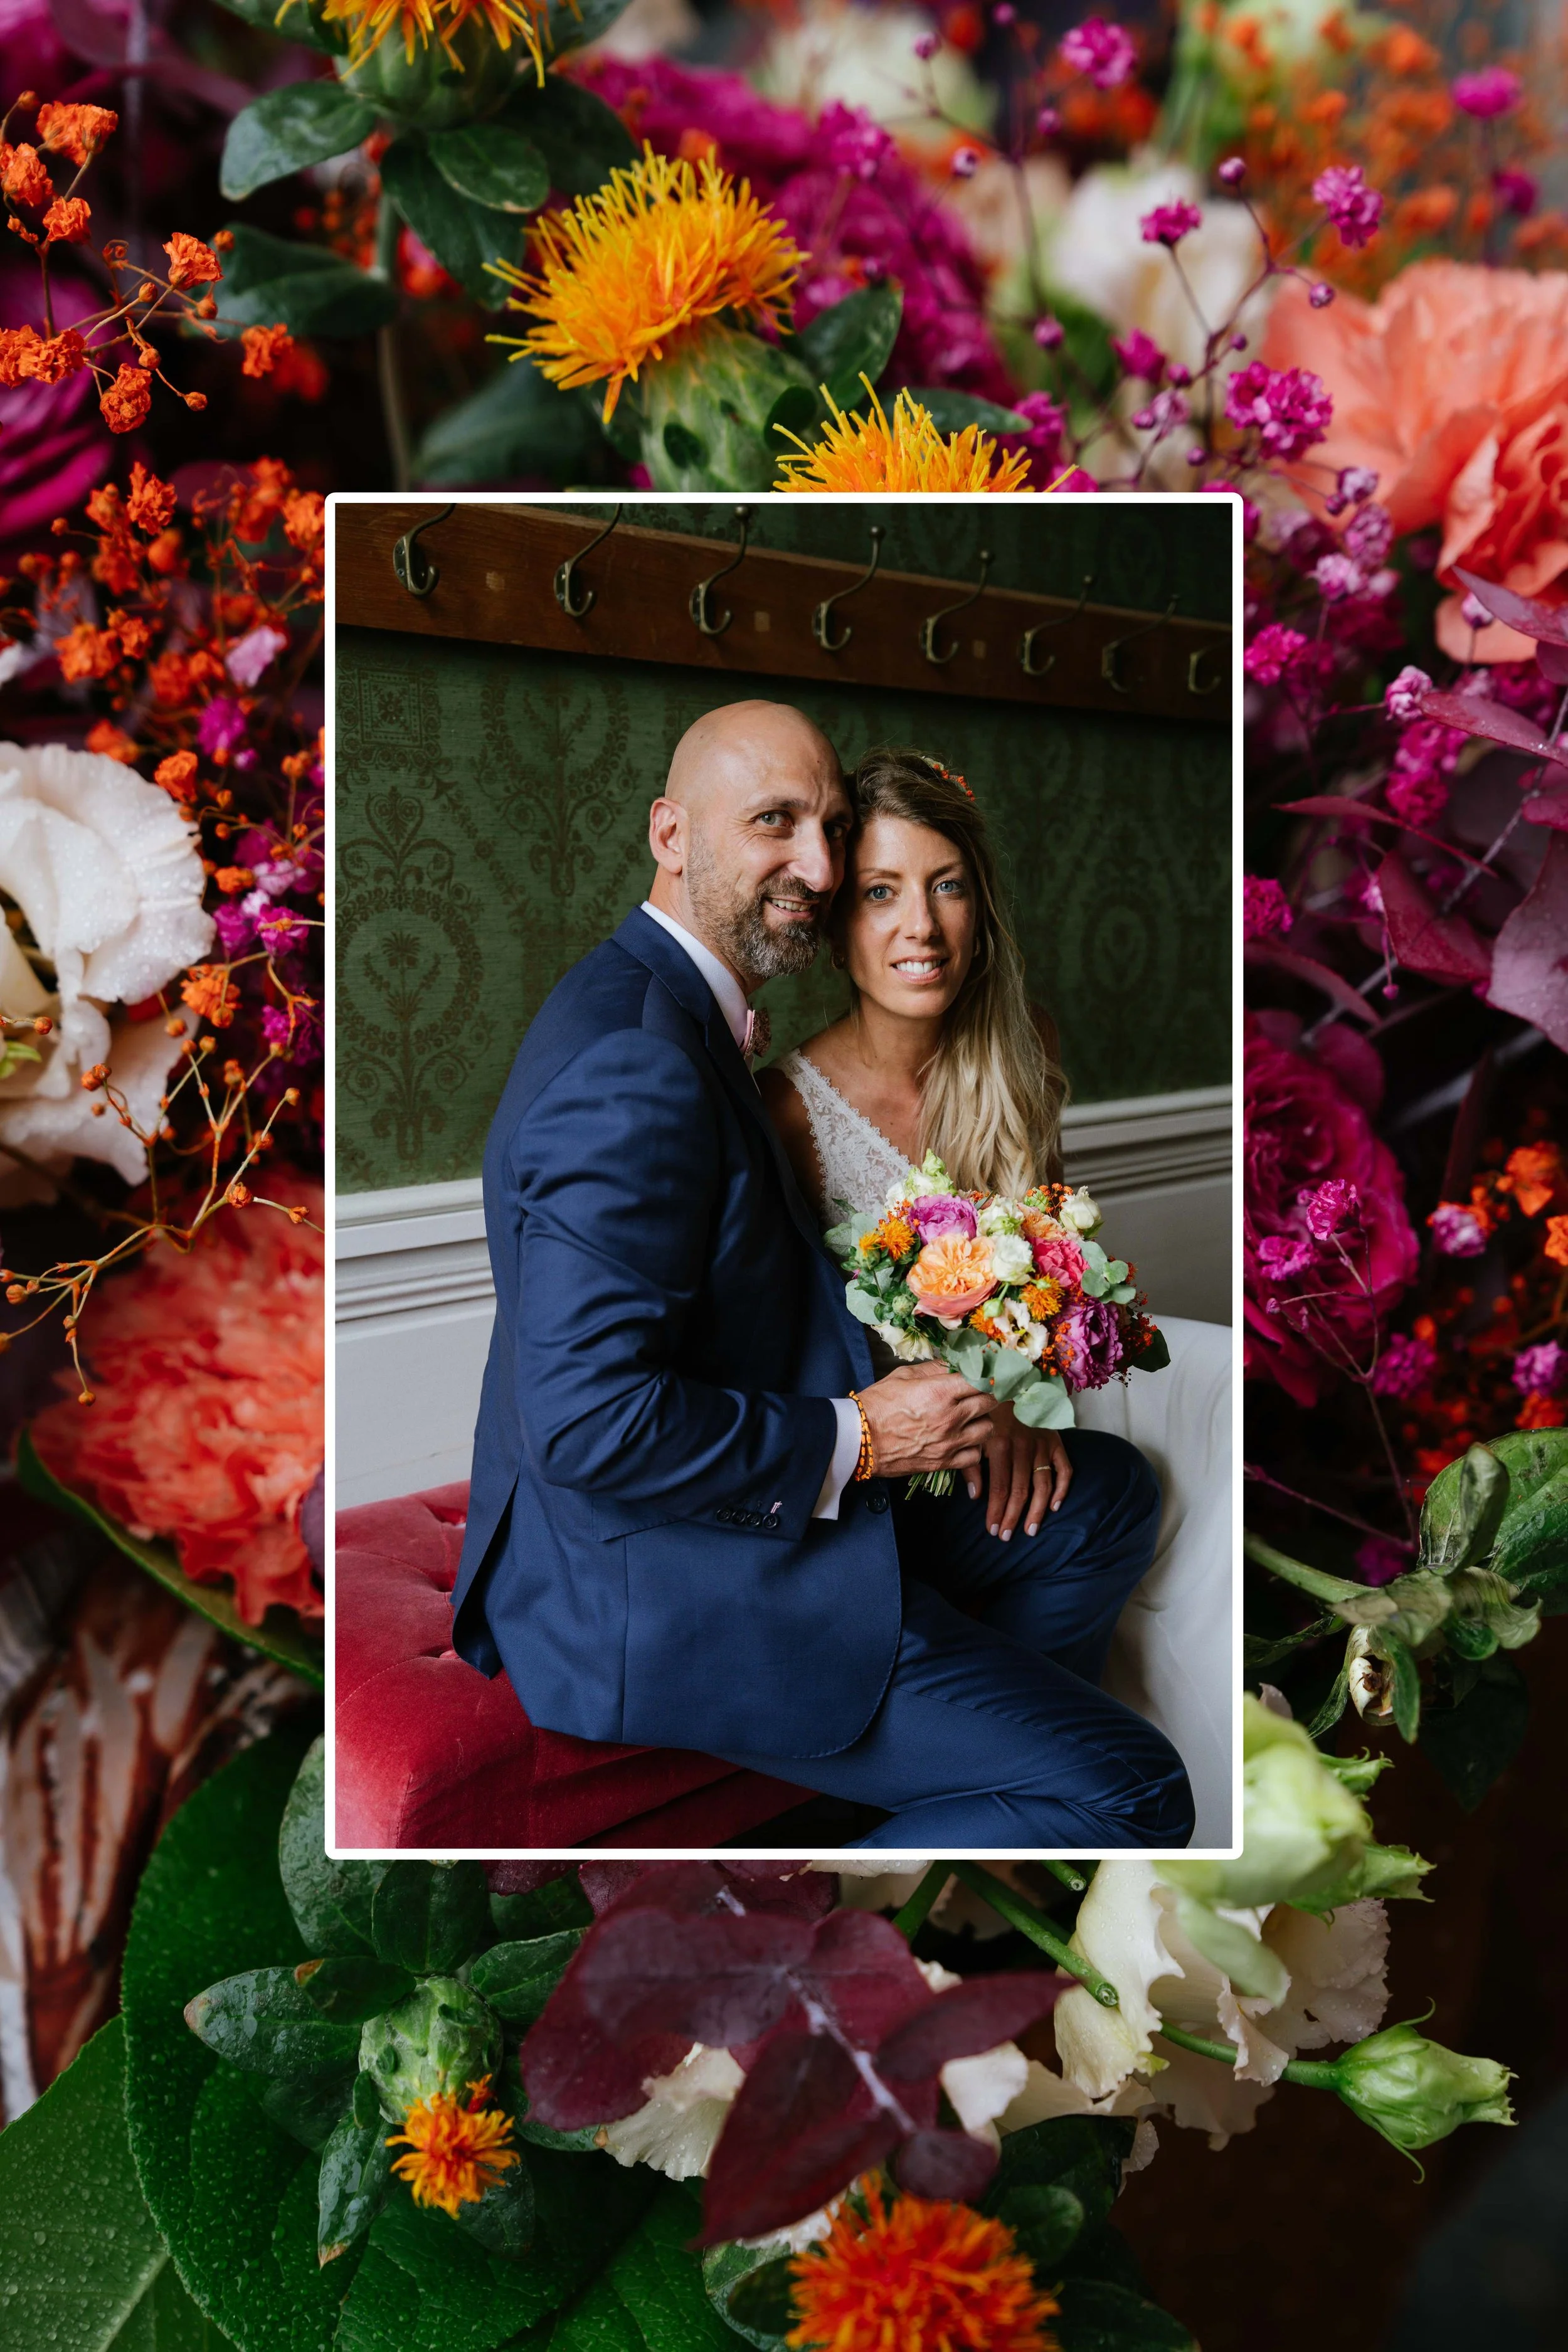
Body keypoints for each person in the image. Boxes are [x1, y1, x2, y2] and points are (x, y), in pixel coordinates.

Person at [448, 700, 1192, 1847]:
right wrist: (862, 1437)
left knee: (1105, 1498)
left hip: (722, 1511)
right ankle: (841, 1923)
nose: (818, 862)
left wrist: (965, 1403)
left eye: (831, 826)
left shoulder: (661, 1009)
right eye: (773, 822)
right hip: (665, 1590)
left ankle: (971, 1777)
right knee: (1139, 1786)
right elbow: (587, 1424)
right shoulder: (644, 1061)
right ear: (671, 834)